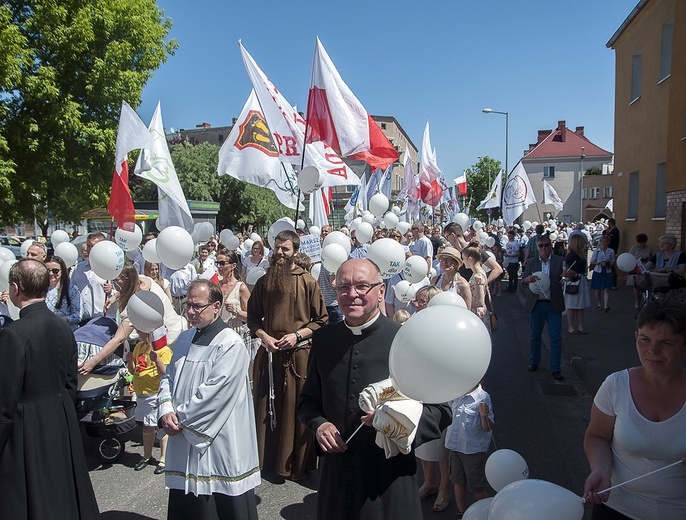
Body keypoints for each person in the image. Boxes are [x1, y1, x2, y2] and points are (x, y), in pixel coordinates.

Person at [297, 258, 451, 520]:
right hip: (336, 477)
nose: (352, 294)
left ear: (381, 291)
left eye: (362, 286)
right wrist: (319, 424)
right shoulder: (324, 340)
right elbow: (308, 402)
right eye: (344, 287)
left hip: (389, 480)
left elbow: (441, 410)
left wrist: (396, 423)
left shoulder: (406, 340)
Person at [0, 259, 99, 519]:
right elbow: (70, 382)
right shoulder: (63, 327)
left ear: (15, 288)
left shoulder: (13, 334)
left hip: (26, 430)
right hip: (60, 420)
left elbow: (4, 401)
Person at [159, 279, 260, 520]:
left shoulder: (230, 344)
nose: (191, 312)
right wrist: (165, 409)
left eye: (197, 306)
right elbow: (168, 377)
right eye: (188, 306)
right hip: (184, 434)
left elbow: (214, 394)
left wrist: (179, 419)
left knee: (218, 506)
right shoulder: (184, 338)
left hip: (218, 441)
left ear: (216, 307)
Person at [583, 300, 686, 519]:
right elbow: (597, 435)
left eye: (666, 343)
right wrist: (601, 469)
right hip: (615, 508)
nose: (653, 351)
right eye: (644, 340)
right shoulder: (616, 385)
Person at [247, 229, 328, 481]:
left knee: (297, 410)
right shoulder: (264, 281)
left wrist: (298, 335)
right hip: (269, 356)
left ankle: (295, 465)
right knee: (266, 409)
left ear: (295, 252)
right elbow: (252, 319)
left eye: (285, 249)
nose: (279, 253)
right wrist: (265, 337)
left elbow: (321, 320)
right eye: (277, 248)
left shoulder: (307, 282)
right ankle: (266, 461)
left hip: (298, 356)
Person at [78, 264, 186, 375]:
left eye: (116, 280)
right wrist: (115, 296)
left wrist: (93, 362)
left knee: (163, 376)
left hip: (166, 340)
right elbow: (132, 283)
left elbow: (119, 339)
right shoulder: (144, 280)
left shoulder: (136, 304)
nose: (113, 284)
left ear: (125, 280)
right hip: (177, 328)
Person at [445, 383, 494, 517]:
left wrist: (484, 416)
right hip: (455, 446)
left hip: (472, 450)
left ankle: (492, 513)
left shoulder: (482, 397)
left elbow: (488, 427)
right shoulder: (456, 392)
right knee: (458, 480)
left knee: (475, 487)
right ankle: (462, 513)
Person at [127, 328, 171, 475]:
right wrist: (129, 362)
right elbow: (134, 370)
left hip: (154, 393)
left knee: (160, 426)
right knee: (146, 426)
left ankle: (164, 458)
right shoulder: (139, 347)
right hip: (141, 394)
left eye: (141, 331)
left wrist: (156, 360)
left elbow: (166, 372)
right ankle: (147, 456)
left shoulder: (163, 350)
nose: (138, 333)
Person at [521, 234, 565, 380]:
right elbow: (523, 281)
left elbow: (571, 277)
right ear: (537, 247)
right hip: (537, 304)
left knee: (555, 338)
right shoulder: (532, 262)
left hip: (553, 304)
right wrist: (527, 279)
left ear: (551, 246)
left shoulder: (559, 261)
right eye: (541, 246)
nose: (544, 248)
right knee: (535, 336)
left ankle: (555, 368)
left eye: (546, 245)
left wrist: (572, 275)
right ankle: (534, 362)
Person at [71, 232, 115, 325]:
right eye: (88, 245)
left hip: (102, 319)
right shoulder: (79, 268)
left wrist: (111, 291)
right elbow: (71, 289)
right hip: (81, 319)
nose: (90, 249)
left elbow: (121, 292)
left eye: (94, 246)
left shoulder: (110, 268)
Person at [563, 234, 591, 334]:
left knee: (580, 305)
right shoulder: (571, 256)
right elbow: (565, 269)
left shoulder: (580, 254)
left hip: (581, 280)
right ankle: (571, 327)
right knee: (571, 305)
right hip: (573, 282)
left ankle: (580, 326)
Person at [462, 242, 492, 333]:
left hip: (478, 314)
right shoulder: (480, 272)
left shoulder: (477, 276)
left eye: (464, 259)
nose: (463, 262)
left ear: (470, 259)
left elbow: (479, 301)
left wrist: (465, 304)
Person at [45, 254, 81, 330]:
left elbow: (78, 315)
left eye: (55, 271)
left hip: (66, 330)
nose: (51, 274)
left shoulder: (71, 289)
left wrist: (64, 319)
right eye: (47, 270)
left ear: (62, 271)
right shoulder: (39, 289)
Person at [628, 234, 654, 314]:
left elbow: (653, 258)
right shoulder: (634, 248)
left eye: (643, 243)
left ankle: (647, 300)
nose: (642, 244)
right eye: (640, 243)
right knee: (636, 286)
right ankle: (637, 300)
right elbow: (629, 258)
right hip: (636, 269)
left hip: (646, 268)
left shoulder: (649, 248)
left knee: (647, 284)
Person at [590, 236, 615, 313]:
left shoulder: (611, 251)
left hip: (607, 271)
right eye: (602, 242)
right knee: (598, 289)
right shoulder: (597, 251)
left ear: (608, 242)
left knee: (606, 289)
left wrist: (609, 264)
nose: (604, 243)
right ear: (600, 242)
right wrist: (599, 263)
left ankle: (606, 306)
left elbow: (613, 261)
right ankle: (599, 303)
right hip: (598, 271)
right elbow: (592, 261)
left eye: (605, 242)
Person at [605, 218, 620, 289]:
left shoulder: (615, 231)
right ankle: (610, 282)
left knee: (612, 266)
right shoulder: (610, 230)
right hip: (609, 250)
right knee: (608, 266)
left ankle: (614, 284)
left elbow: (609, 238)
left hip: (612, 250)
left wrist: (607, 234)